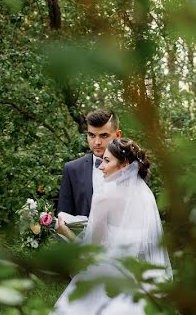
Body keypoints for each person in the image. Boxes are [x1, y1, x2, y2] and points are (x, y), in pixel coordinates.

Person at [52, 138, 172, 314]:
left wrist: (65, 231)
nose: (101, 166)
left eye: (107, 161)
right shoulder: (146, 197)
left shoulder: (103, 199)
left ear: (124, 165)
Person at [56, 108, 121, 219]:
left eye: (104, 135)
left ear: (118, 135)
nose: (97, 142)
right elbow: (63, 219)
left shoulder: (132, 168)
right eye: (91, 135)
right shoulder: (72, 169)